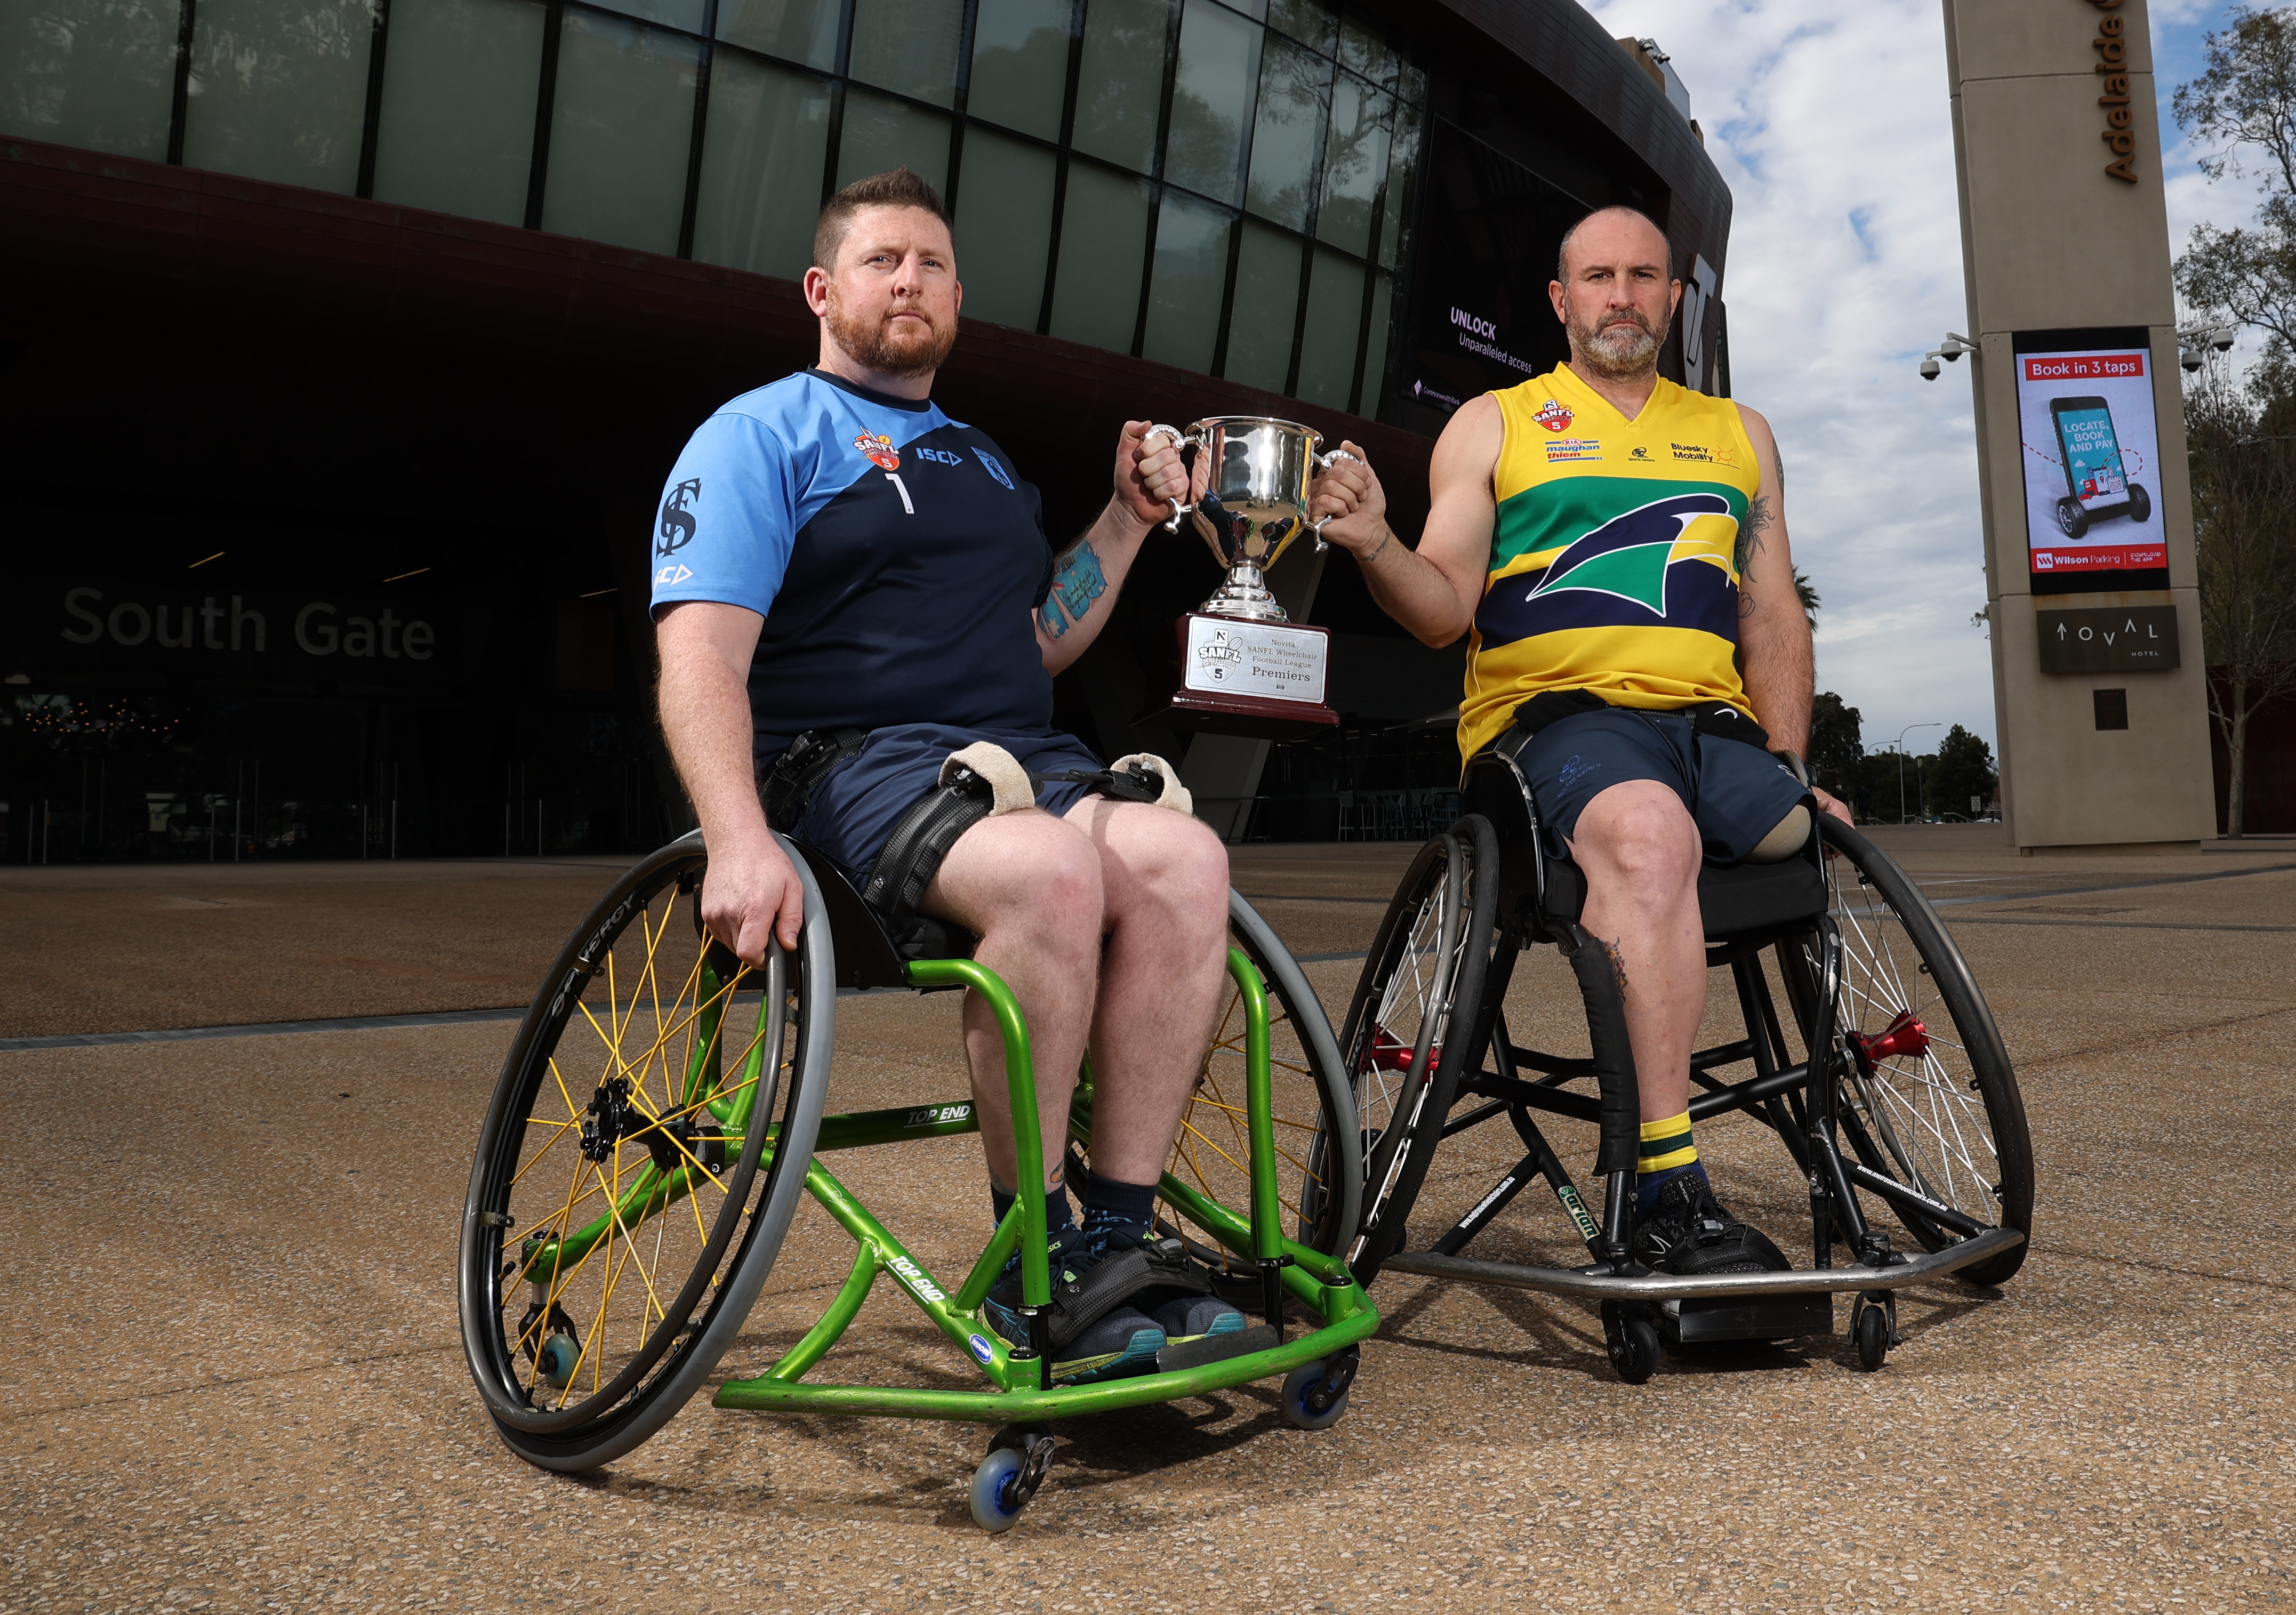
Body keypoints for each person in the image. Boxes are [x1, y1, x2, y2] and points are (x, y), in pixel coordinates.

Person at [649, 166, 1243, 1377]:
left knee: (1187, 861)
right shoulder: (762, 431)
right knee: (1052, 876)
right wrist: (736, 834)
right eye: (882, 260)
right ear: (824, 290)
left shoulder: (979, 458)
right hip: (854, 761)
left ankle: (1114, 1247)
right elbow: (698, 654)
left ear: (959, 297)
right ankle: (1039, 1260)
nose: (909, 278)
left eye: (930, 263)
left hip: (1021, 753)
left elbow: (1035, 639)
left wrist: (1125, 524)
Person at [1308, 204, 1853, 1282]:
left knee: (1807, 831)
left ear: (1673, 298)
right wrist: (1375, 544)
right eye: (1598, 277)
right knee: (1649, 839)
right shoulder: (1497, 423)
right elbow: (1439, 611)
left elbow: (1772, 611)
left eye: (1644, 276)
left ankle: (1831, 1144)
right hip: (1553, 729)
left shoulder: (1740, 434)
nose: (1622, 296)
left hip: (1711, 728)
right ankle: (1664, 1184)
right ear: (1561, 302)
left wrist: (1793, 764)